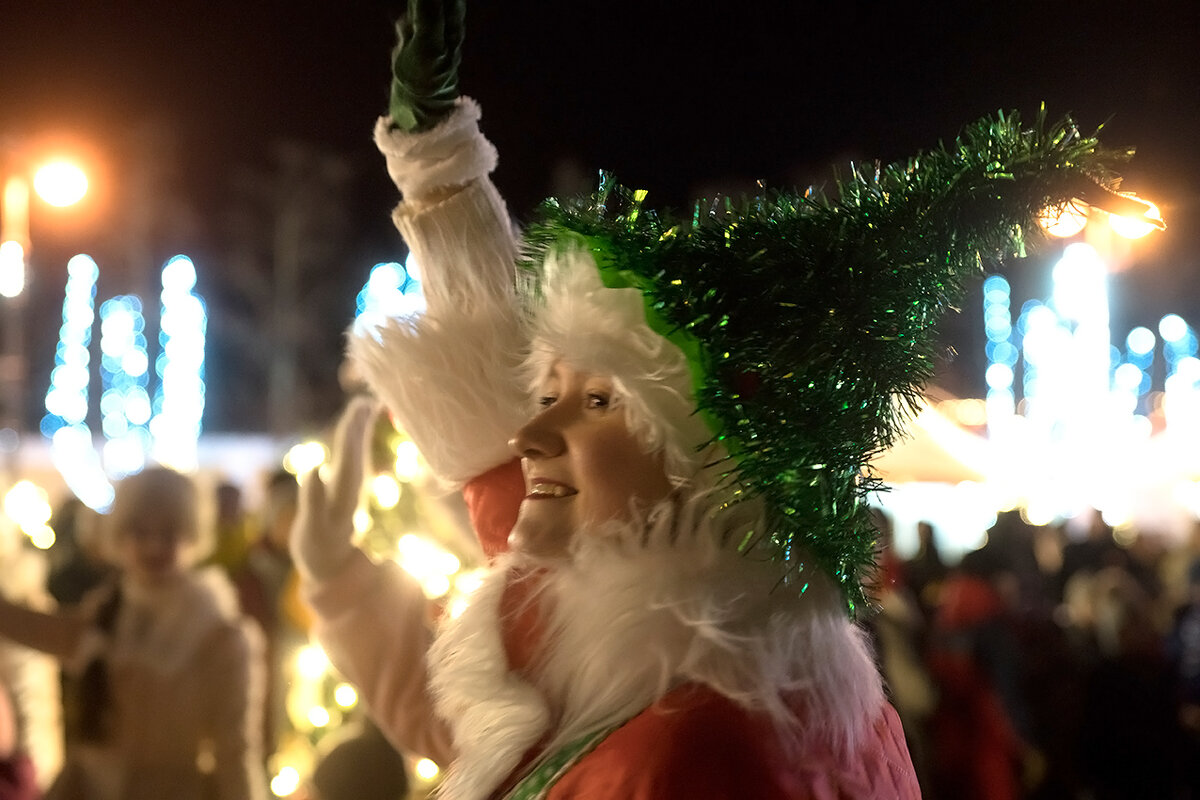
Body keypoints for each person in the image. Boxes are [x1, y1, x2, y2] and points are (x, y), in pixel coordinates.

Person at [291, 2, 1155, 797]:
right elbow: (494, 714)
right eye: (546, 389)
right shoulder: (632, 653)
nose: (529, 431)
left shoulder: (701, 750)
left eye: (598, 403)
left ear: (715, 470)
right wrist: (440, 179)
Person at [0, 467, 267, 800]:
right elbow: (42, 631)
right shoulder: (108, 611)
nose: (153, 547)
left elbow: (235, 751)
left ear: (190, 536)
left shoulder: (219, 635)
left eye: (168, 534)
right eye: (140, 532)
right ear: (120, 536)